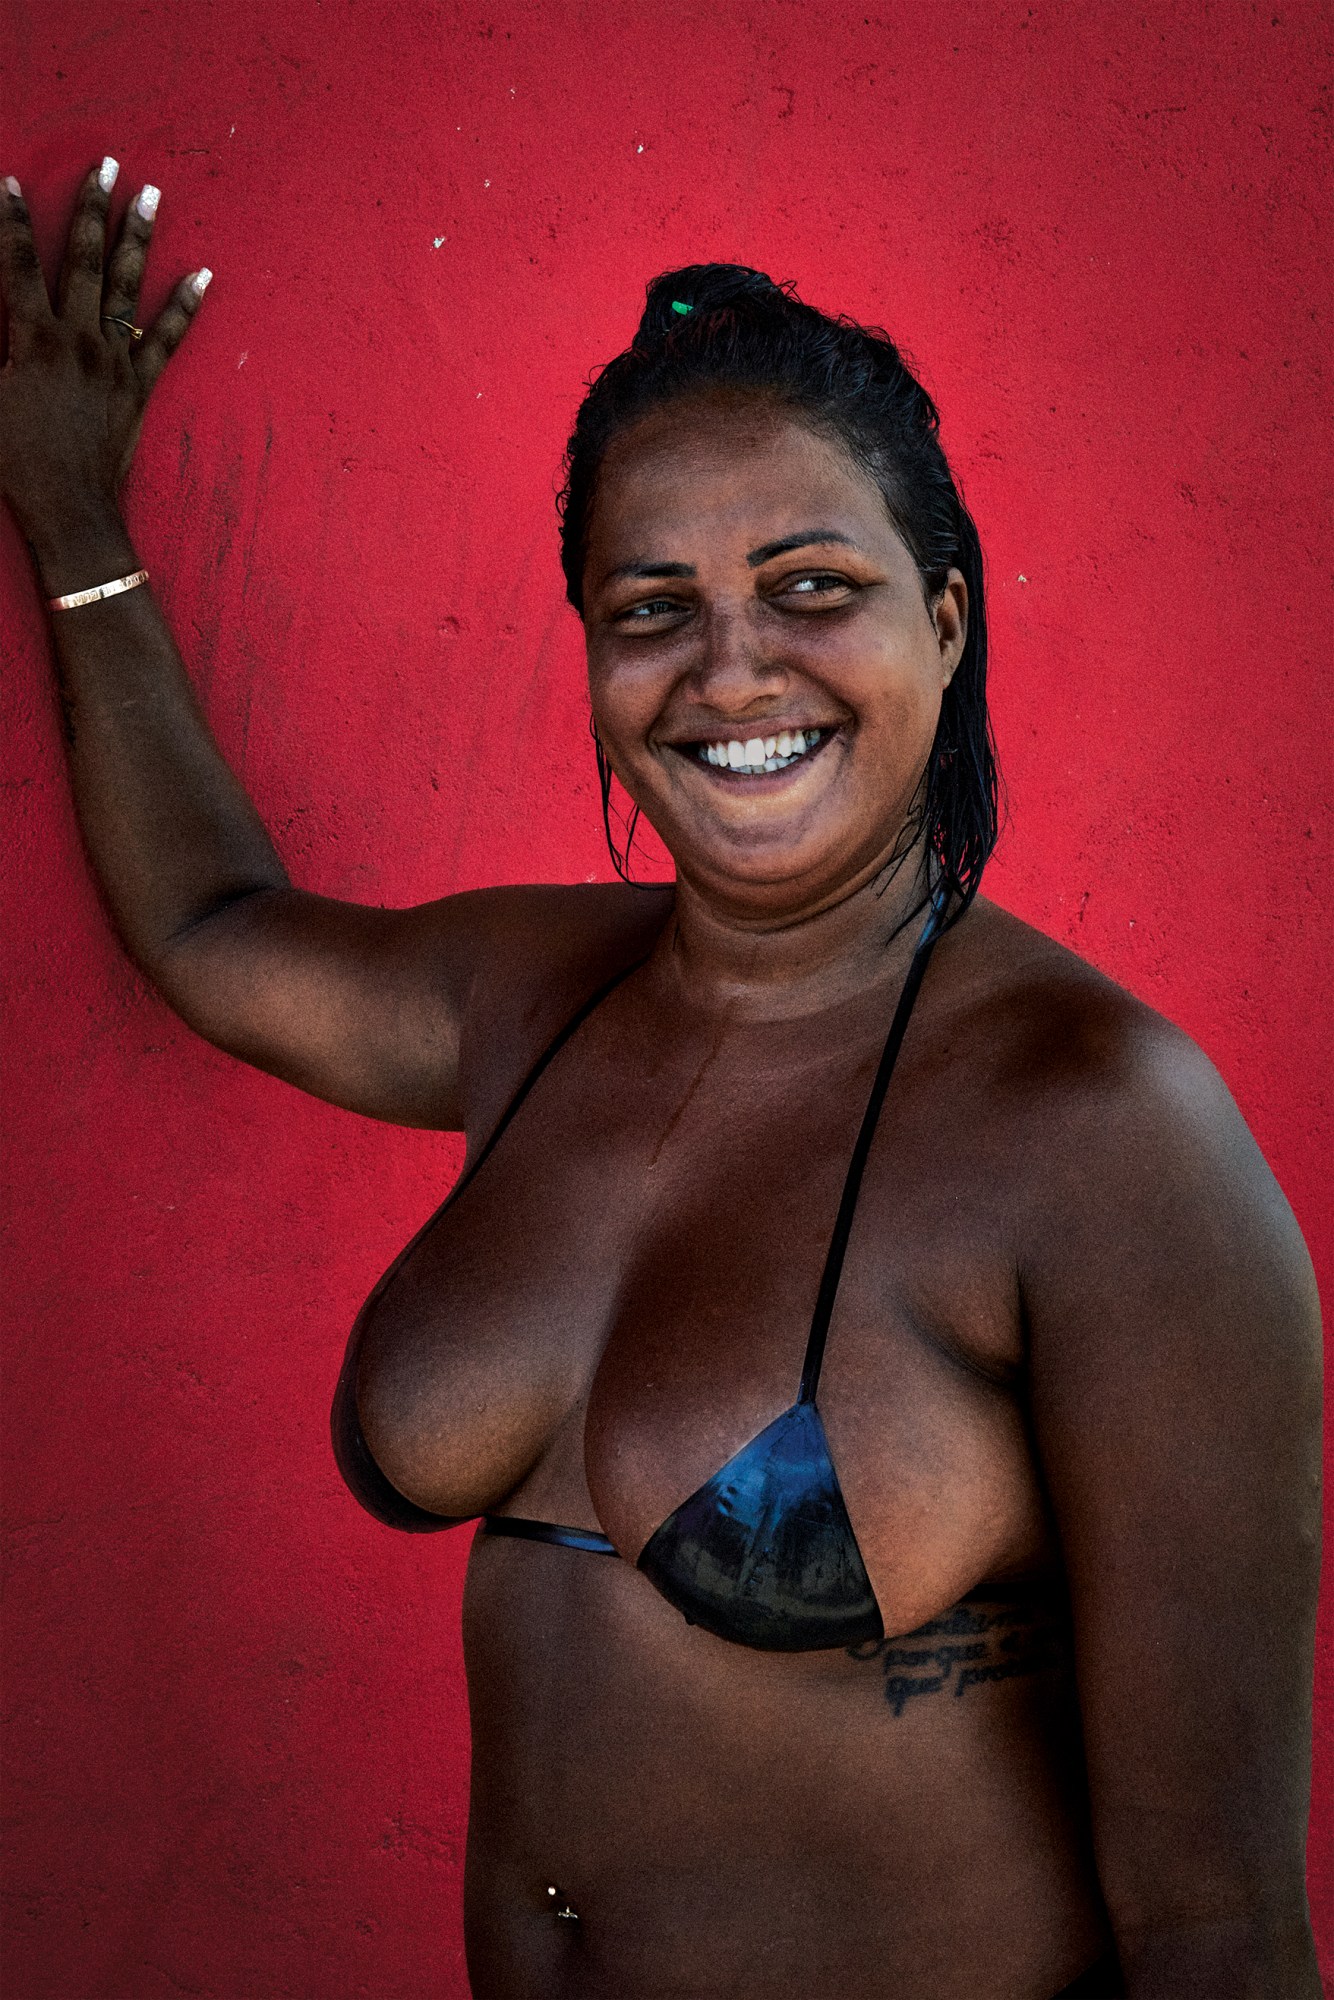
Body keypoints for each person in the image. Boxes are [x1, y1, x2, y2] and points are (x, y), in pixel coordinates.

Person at [0, 160, 1323, 2000]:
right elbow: (218, 932)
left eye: (809, 587)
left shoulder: (1098, 1129)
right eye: (650, 608)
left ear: (943, 623)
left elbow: (1216, 1926)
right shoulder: (528, 992)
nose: (728, 670)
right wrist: (71, 515)